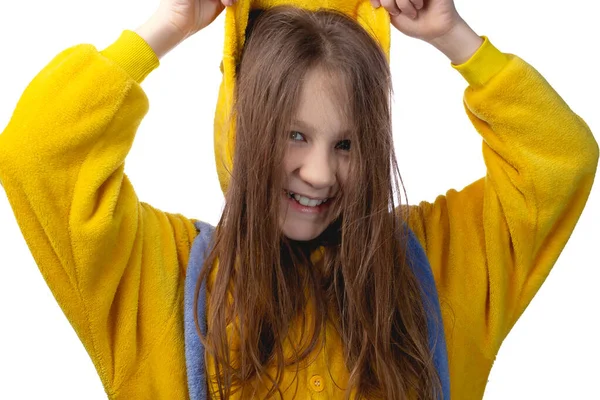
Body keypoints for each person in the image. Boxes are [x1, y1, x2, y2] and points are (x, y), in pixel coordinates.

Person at [0, 0, 597, 399]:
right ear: (243, 126)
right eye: (293, 134)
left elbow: (560, 161)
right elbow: (38, 152)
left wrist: (456, 38)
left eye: (346, 143)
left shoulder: (438, 267)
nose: (319, 174)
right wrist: (171, 24)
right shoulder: (163, 278)